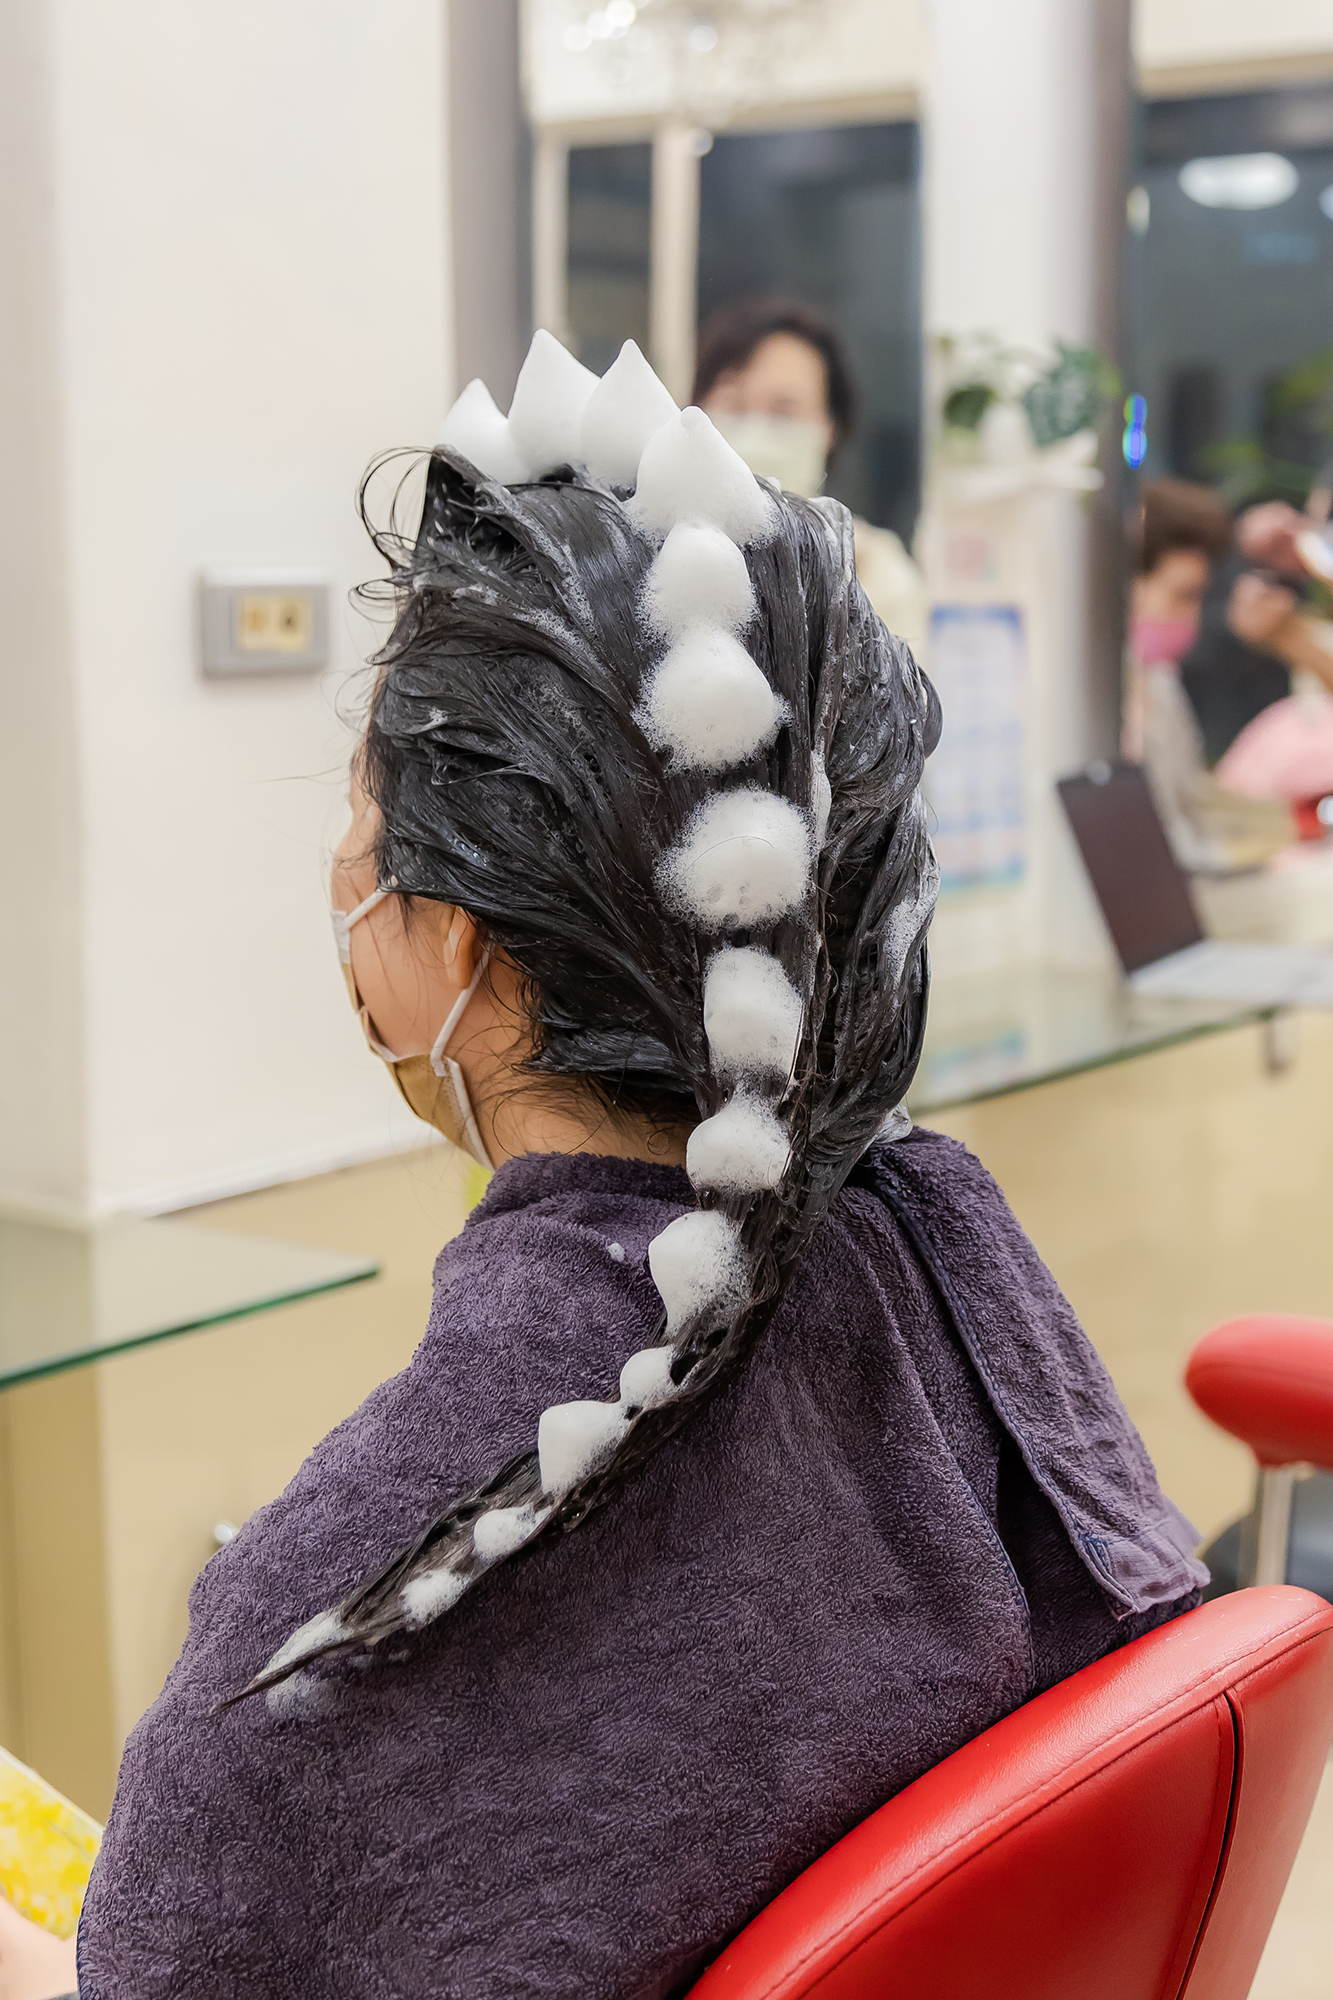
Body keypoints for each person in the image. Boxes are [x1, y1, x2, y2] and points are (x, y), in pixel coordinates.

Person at [59, 337, 1202, 2000]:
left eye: (359, 820)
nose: (337, 874)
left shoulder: (314, 1640)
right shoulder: (928, 1265)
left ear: (455, 944)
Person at [692, 296, 928, 655]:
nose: (756, 430)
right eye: (734, 406)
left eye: (784, 411)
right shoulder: (644, 557)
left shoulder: (875, 573)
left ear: (830, 428)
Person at [1122, 477, 1234, 864]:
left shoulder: (1161, 683)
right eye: (1183, 597)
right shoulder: (1110, 697)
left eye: (1197, 599)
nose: (1190, 618)